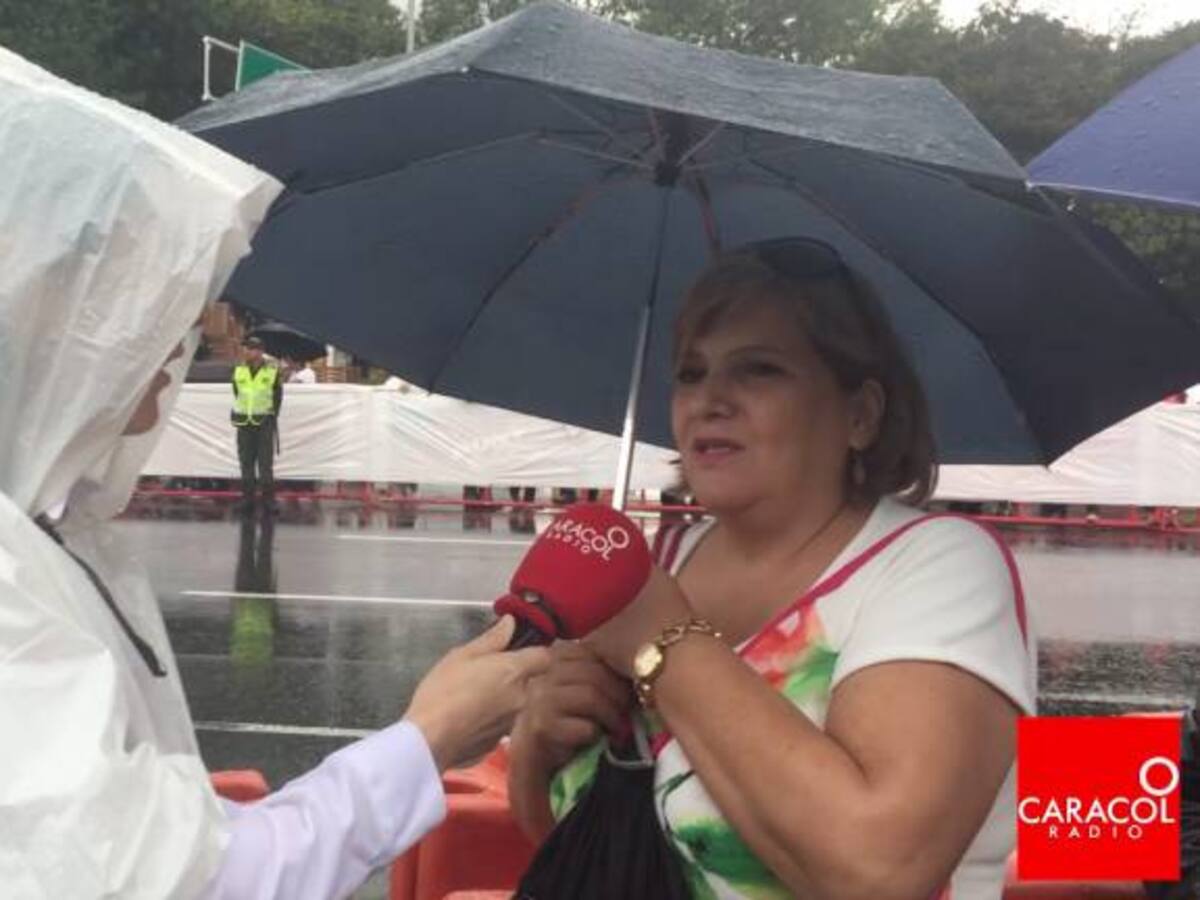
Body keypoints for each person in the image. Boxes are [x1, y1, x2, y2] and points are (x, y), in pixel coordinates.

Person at [1, 51, 549, 899]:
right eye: (150, 303)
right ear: (45, 303)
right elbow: (189, 884)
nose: (181, 340)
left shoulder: (44, 524)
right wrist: (428, 737)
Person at [508, 238, 1035, 900]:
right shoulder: (650, 564)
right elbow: (574, 848)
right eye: (691, 373)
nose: (711, 399)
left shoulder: (937, 567)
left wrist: (661, 641)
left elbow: (879, 870)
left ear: (861, 414)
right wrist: (536, 745)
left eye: (758, 370)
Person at [232, 336, 282, 511]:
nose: (246, 351)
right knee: (246, 462)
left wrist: (271, 418)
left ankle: (268, 501)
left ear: (260, 351)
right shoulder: (238, 369)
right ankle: (248, 500)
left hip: (264, 422)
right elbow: (237, 393)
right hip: (244, 421)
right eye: (245, 348)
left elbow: (277, 397)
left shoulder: (272, 371)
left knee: (265, 464)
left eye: (250, 348)